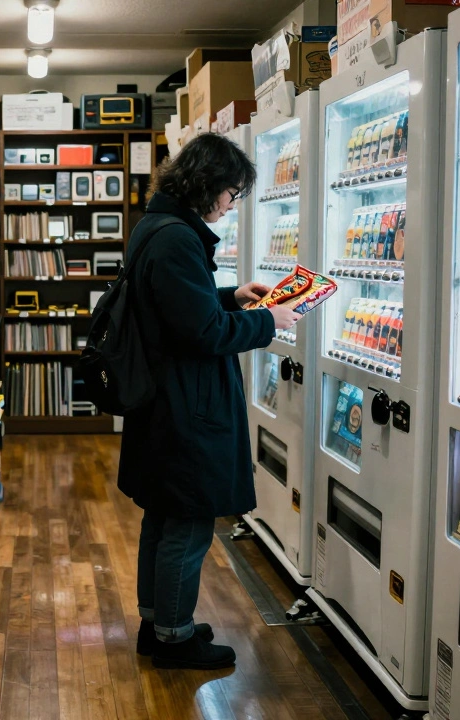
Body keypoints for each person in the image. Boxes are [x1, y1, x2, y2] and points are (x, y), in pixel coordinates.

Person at [118, 133, 300, 670]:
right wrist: (268, 320)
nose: (231, 203)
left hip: (164, 400)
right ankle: (174, 638)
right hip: (185, 406)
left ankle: (157, 622)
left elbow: (175, 308)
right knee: (189, 523)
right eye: (231, 192)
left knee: (164, 517)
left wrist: (230, 296)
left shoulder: (158, 224)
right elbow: (202, 333)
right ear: (207, 186)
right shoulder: (178, 238)